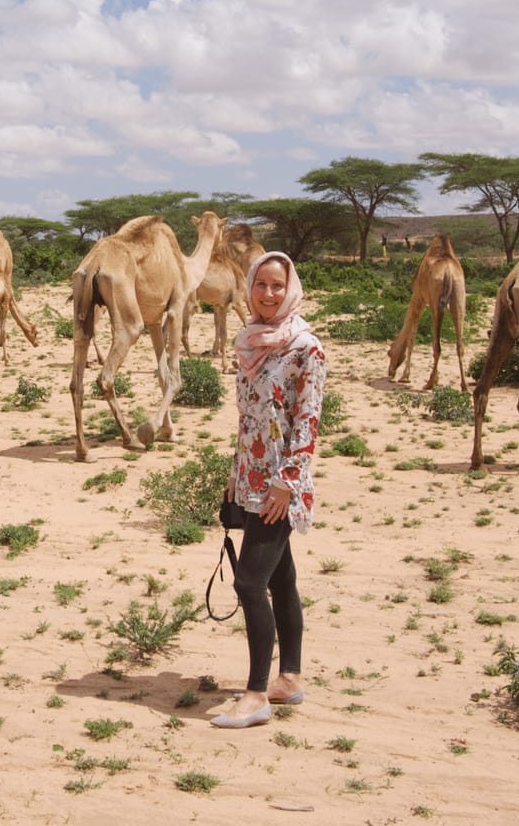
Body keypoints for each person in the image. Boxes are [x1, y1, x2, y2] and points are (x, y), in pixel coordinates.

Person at [211, 251, 327, 729]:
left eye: (278, 286)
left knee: (249, 583)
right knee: (281, 580)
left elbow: (308, 421)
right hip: (251, 476)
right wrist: (235, 477)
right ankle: (290, 679)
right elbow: (249, 420)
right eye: (262, 285)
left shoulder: (305, 347)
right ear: (250, 287)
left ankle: (257, 693)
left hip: (282, 484)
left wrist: (286, 481)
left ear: (291, 288)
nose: (269, 294)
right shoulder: (247, 341)